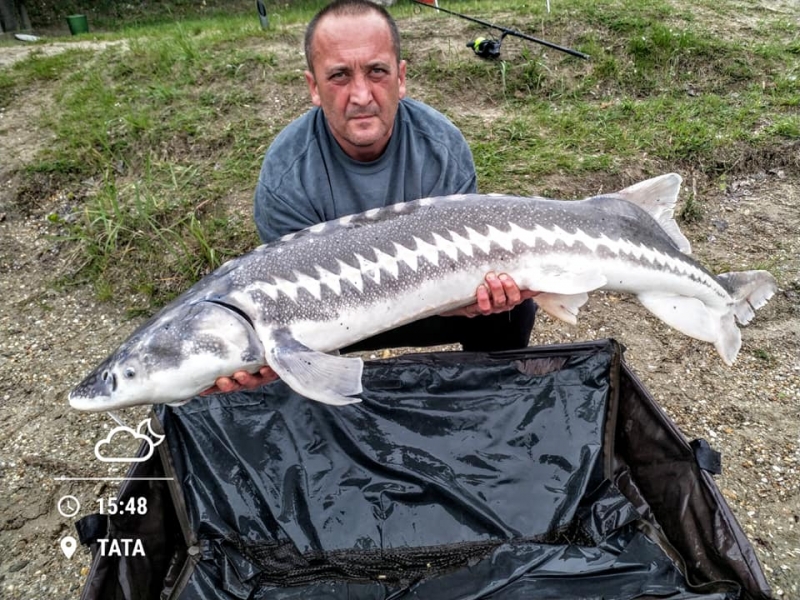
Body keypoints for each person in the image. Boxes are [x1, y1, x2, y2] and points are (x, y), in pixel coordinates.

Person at [207, 0, 536, 395]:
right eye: (339, 76)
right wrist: (264, 357)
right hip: (332, 320)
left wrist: (476, 298)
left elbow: (469, 264)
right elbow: (289, 317)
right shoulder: (286, 176)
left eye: (377, 71)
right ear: (313, 87)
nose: (361, 95)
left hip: (436, 304)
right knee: (265, 361)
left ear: (401, 77)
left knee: (512, 309)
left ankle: (490, 401)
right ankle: (330, 415)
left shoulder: (441, 146)